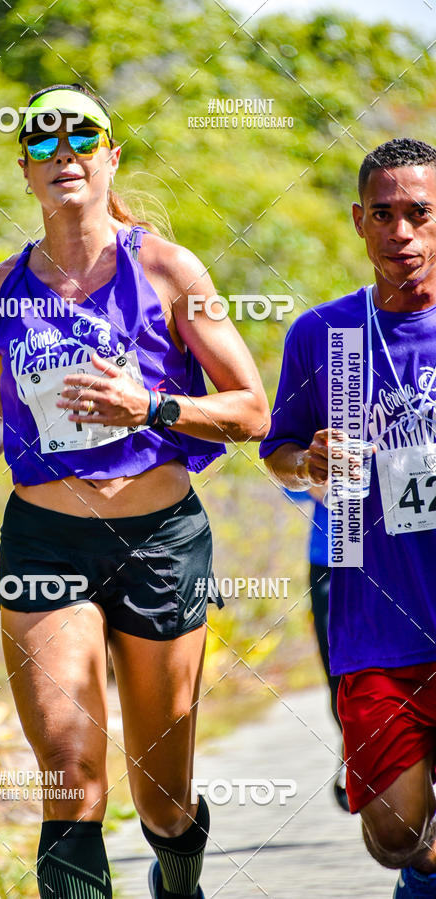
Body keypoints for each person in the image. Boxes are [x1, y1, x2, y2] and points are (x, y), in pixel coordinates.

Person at [0, 83, 269, 899]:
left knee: (160, 800)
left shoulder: (167, 267)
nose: (64, 154)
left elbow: (252, 410)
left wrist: (150, 406)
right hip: (46, 542)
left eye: (81, 136)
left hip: (160, 542)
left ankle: (178, 877)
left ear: (110, 155)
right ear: (24, 170)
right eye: (43, 143)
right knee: (70, 774)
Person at [260, 138, 436, 898]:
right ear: (359, 223)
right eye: (385, 215)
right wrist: (309, 466)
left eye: (420, 214)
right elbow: (279, 451)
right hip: (377, 621)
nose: (402, 232)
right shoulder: (322, 335)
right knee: (397, 835)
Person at [283, 486, 348, 811]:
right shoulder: (326, 430)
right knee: (336, 667)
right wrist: (314, 479)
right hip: (331, 555)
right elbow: (286, 477)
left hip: (398, 552)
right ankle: (354, 745)